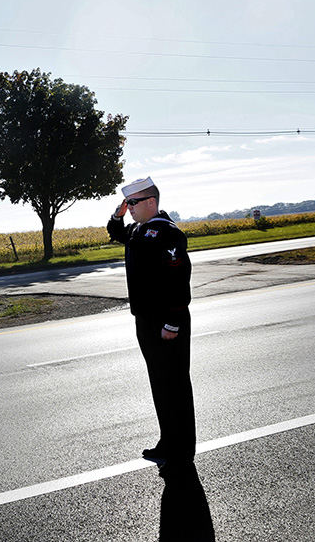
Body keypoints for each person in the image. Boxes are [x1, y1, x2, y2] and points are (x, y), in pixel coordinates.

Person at [106, 176, 196, 465]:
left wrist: (173, 322)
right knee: (160, 383)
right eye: (127, 203)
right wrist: (116, 215)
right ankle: (168, 441)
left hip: (166, 322)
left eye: (133, 203)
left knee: (175, 384)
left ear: (151, 202)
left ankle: (182, 449)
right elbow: (116, 232)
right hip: (145, 320)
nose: (129, 207)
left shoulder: (167, 233)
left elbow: (179, 280)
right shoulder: (139, 230)